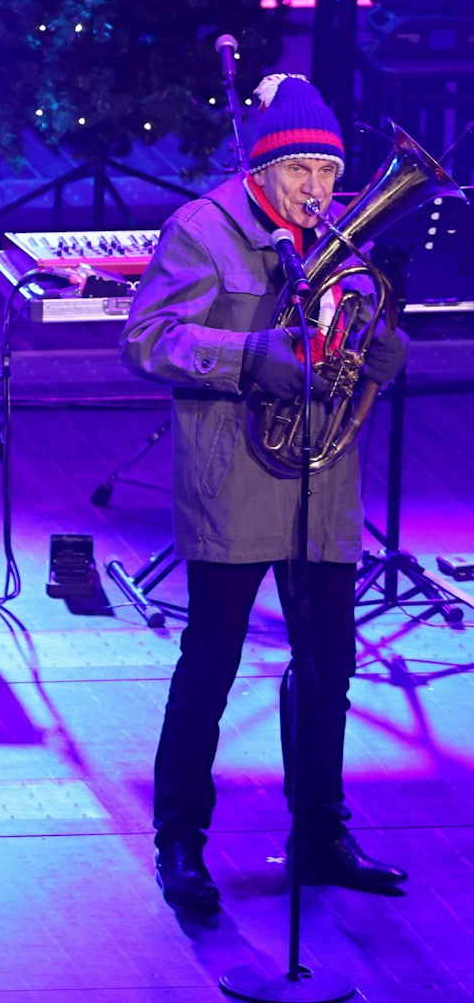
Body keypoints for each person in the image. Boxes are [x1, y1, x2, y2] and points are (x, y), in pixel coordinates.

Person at [121, 73, 410, 912]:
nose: (317, 189)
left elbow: (353, 343)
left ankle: (319, 831)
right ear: (262, 169)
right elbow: (146, 340)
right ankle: (180, 840)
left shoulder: (345, 241)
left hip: (322, 481)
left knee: (329, 665)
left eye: (328, 172)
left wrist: (380, 355)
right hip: (234, 480)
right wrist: (249, 355)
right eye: (300, 171)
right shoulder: (202, 230)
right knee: (210, 662)